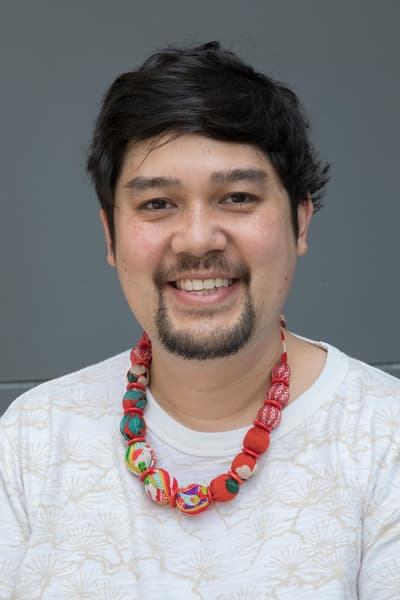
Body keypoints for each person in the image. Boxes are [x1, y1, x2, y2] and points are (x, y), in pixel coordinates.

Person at [1, 41, 399, 600]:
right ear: (110, 236)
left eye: (236, 197)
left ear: (300, 221)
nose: (196, 240)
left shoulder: (385, 439)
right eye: (157, 204)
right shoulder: (31, 440)